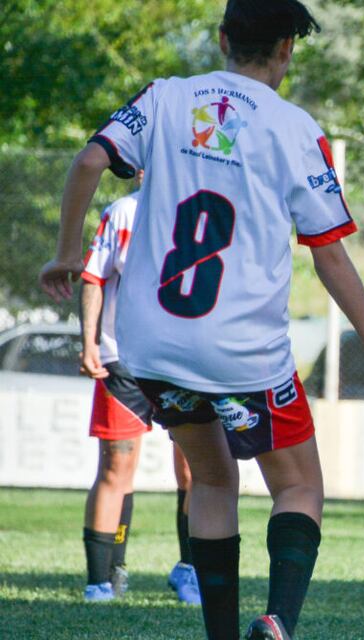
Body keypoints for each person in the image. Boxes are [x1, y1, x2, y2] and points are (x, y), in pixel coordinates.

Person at [39, 1, 364, 638]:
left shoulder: (164, 97)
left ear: (222, 39)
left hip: (151, 347)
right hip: (244, 353)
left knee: (212, 478)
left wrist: (69, 253)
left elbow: (88, 162)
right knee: (298, 489)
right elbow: (329, 254)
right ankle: (277, 623)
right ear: (287, 50)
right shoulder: (295, 128)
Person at [78, 170, 201, 605]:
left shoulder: (200, 211)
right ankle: (102, 579)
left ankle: (190, 571)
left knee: (196, 469)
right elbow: (93, 276)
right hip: (123, 360)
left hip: (186, 363)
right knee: (117, 467)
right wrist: (90, 341)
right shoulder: (123, 212)